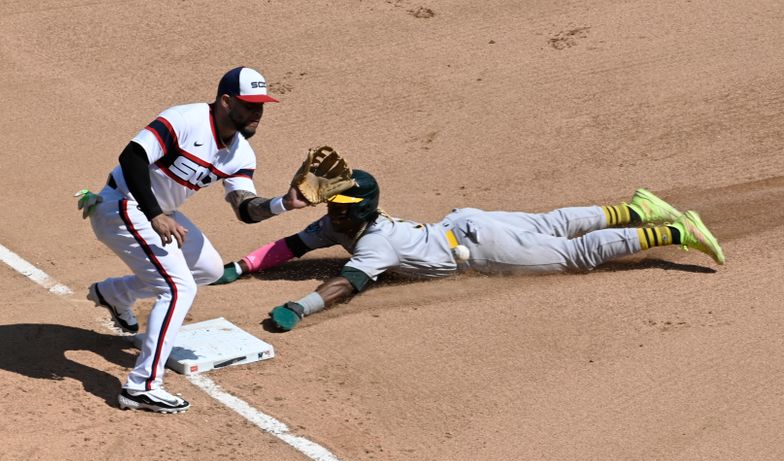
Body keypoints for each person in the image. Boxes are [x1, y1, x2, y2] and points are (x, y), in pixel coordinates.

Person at [213, 170, 725, 331]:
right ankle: (638, 209)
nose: (330, 209)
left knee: (576, 254)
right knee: (555, 223)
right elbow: (291, 244)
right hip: (467, 224)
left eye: (339, 205)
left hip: (481, 245)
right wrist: (243, 266)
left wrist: (299, 308)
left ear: (358, 210)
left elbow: (348, 282)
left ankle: (675, 231)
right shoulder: (338, 225)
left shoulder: (376, 241)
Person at [78, 66, 309, 413]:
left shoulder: (240, 154)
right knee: (177, 288)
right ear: (226, 101)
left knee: (209, 269)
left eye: (261, 105)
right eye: (249, 105)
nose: (257, 113)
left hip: (159, 214)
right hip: (122, 206)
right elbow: (132, 157)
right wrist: (155, 212)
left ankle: (114, 294)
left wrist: (283, 204)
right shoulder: (185, 119)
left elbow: (244, 208)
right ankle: (142, 386)